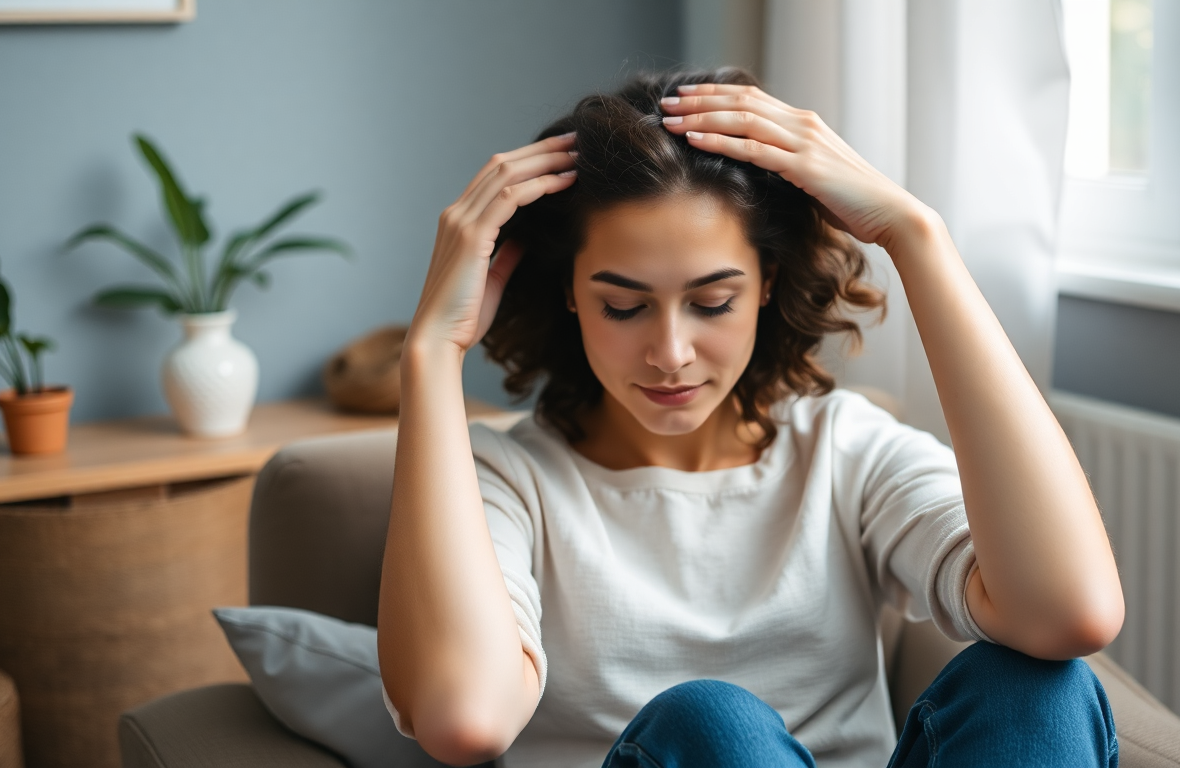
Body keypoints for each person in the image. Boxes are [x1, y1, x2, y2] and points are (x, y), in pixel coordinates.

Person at [377, 68, 1125, 768]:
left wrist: (914, 235)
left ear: (767, 283)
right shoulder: (505, 477)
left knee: (1039, 688)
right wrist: (432, 353)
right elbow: (465, 720)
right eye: (624, 306)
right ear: (571, 293)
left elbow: (1072, 614)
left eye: (712, 302)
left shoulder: (844, 448)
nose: (670, 354)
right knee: (711, 723)